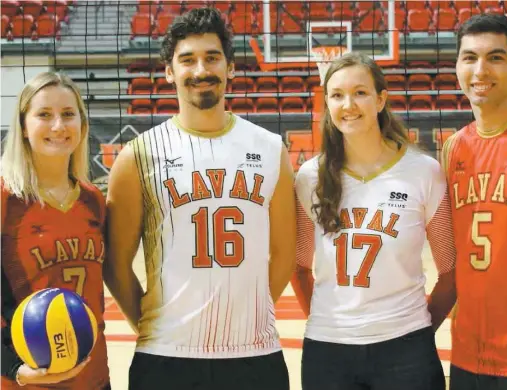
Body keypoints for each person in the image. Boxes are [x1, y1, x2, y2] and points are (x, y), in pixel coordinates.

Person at [104, 7, 296, 390]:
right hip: (165, 356)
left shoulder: (271, 149)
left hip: (254, 353)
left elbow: (285, 254)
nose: (200, 70)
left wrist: (247, 310)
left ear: (230, 68)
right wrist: (150, 327)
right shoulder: (138, 155)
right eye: (187, 60)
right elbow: (116, 263)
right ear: (169, 72)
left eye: (212, 57)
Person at [291, 52, 457, 390]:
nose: (348, 104)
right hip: (328, 350)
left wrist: (418, 328)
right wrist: (331, 322)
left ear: (381, 99)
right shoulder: (310, 177)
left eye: (360, 93)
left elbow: (450, 269)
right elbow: (299, 265)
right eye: (337, 95)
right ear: (327, 103)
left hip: (406, 347)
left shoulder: (424, 171)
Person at [442, 13, 507, 390]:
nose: (480, 69)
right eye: (470, 57)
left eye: (495, 57)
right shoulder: (454, 148)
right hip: (468, 353)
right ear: (457, 67)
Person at [0, 72, 110, 389]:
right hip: (26, 379)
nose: (58, 126)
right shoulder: (7, 198)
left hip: (93, 377)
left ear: (82, 124)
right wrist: (14, 369)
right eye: (44, 115)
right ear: (23, 126)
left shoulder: (93, 200)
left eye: (68, 114)